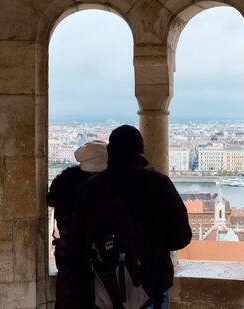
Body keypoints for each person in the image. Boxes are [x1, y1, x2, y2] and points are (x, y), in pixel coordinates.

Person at [72, 125, 192, 309]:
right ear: (140, 151)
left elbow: (78, 241)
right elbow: (181, 237)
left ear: (110, 151)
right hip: (151, 286)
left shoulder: (90, 188)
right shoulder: (159, 184)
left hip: (104, 289)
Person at [47, 140, 108, 309]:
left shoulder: (64, 182)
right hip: (100, 257)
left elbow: (51, 200)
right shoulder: (104, 186)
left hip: (68, 257)